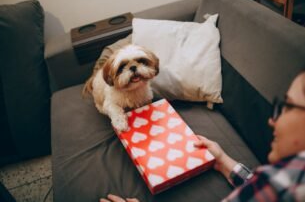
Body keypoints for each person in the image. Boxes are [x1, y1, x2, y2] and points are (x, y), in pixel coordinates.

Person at [100, 71, 305, 202]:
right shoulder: (285, 178)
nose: (272, 121)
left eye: (287, 106)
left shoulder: (285, 181)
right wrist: (224, 161)